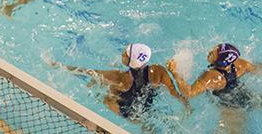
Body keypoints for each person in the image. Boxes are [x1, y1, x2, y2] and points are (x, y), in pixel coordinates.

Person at [49, 44, 186, 119]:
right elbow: (174, 92)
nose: (122, 54)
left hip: (129, 113)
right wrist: (186, 105)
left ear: (131, 60)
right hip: (148, 107)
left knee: (105, 94)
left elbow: (88, 71)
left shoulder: (121, 77)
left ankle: (138, 122)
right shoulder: (158, 71)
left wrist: (59, 66)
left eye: (125, 54)